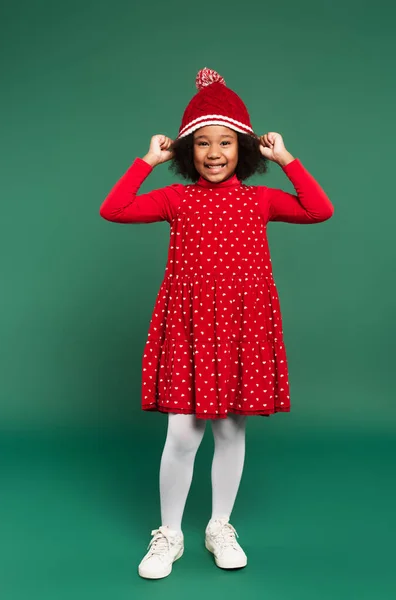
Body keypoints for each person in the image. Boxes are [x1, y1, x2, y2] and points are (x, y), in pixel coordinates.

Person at [99, 67, 334, 579]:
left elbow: (320, 209)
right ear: (187, 151)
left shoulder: (261, 199)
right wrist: (147, 160)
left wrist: (286, 158)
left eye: (225, 142)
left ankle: (219, 525)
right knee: (182, 435)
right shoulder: (175, 199)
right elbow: (113, 209)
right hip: (191, 326)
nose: (213, 153)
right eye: (201, 143)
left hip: (242, 326)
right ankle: (170, 535)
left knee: (229, 430)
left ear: (242, 148)